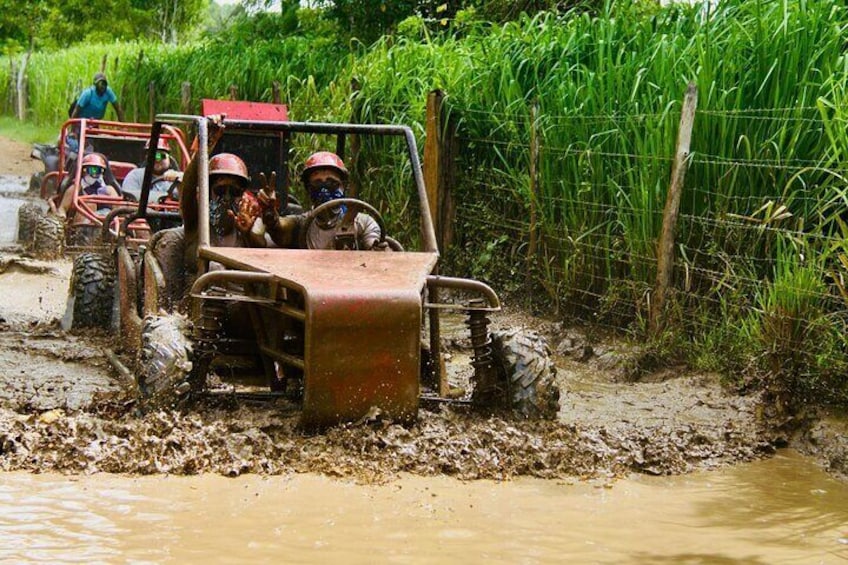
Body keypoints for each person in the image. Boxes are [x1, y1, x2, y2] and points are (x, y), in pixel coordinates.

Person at [259, 151, 385, 251]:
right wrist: (269, 212)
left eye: (331, 182)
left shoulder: (362, 222)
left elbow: (375, 251)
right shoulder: (302, 224)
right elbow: (280, 229)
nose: (324, 189)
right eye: (317, 183)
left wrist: (375, 249)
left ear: (343, 186)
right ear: (308, 189)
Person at [54, 152, 120, 218]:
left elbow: (118, 210)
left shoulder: (109, 190)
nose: (95, 174)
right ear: (83, 171)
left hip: (106, 222)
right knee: (90, 204)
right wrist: (61, 217)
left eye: (98, 170)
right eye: (92, 170)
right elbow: (62, 209)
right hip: (82, 223)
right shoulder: (75, 189)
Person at [121, 138, 181, 202]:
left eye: (161, 156)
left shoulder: (178, 179)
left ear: (169, 158)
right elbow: (129, 201)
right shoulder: (135, 176)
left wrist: (180, 181)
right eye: (152, 155)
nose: (157, 160)